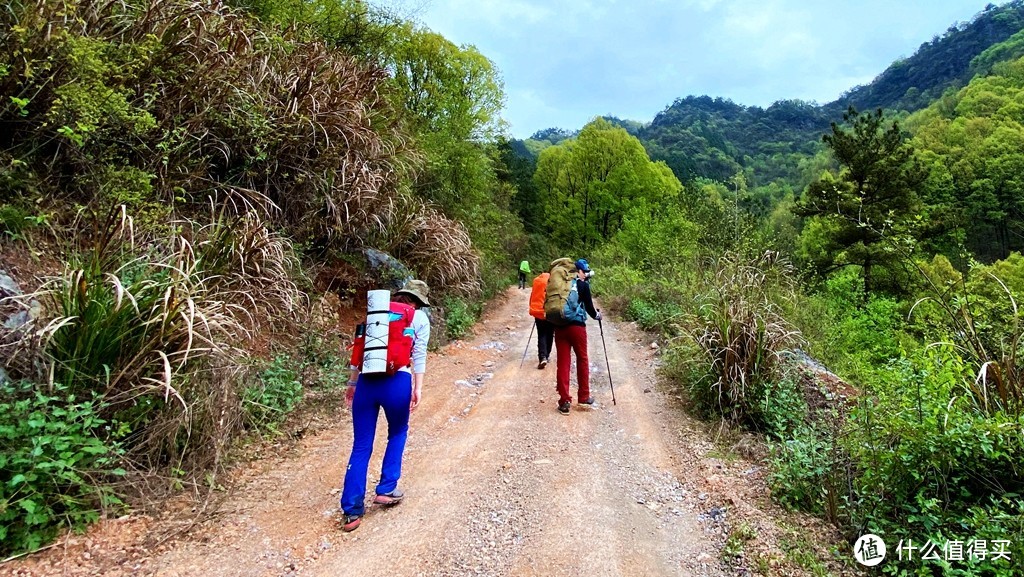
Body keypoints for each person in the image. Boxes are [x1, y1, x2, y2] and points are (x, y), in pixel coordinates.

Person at [340, 279, 431, 532]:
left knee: (361, 445)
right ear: (418, 302)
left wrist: (352, 383)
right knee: (398, 431)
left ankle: (352, 511)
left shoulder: (376, 311)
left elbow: (360, 350)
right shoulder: (419, 319)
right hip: (397, 382)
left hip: (367, 384)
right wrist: (418, 388)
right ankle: (386, 488)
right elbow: (419, 354)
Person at [554, 259, 600, 415]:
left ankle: (564, 401)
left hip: (560, 327)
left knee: (563, 362)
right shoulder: (582, 285)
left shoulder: (562, 286)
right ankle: (584, 396)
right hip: (577, 328)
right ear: (579, 271)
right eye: (585, 272)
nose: (586, 275)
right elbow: (590, 308)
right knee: (582, 359)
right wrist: (597, 316)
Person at [528, 271, 554, 369]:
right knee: (550, 333)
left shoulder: (536, 281)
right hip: (549, 312)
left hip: (538, 311)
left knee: (541, 334)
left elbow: (532, 296)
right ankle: (546, 356)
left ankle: (542, 357)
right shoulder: (551, 281)